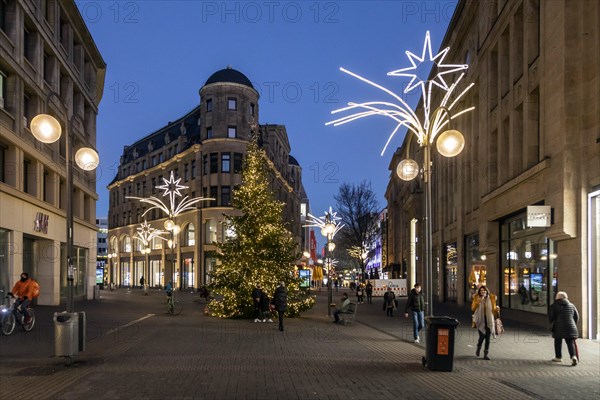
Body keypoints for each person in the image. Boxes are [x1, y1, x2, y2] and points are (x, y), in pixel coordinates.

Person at [549, 291, 579, 366]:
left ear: (558, 297)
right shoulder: (572, 305)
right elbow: (576, 317)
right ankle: (573, 357)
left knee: (558, 341)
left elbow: (551, 317)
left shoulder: (553, 306)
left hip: (558, 327)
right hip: (570, 327)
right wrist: (573, 324)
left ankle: (558, 357)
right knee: (570, 342)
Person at [471, 285, 500, 360]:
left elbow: (493, 309)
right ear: (479, 292)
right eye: (481, 291)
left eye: (484, 290)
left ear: (486, 291)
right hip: (480, 320)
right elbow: (473, 308)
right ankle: (478, 347)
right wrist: (479, 301)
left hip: (489, 319)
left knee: (488, 338)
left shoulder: (491, 298)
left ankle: (485, 354)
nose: (482, 292)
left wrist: (497, 309)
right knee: (482, 336)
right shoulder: (477, 298)